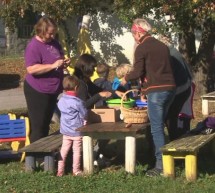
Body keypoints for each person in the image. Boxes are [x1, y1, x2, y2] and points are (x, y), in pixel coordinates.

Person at [121, 18, 176, 176]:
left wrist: (125, 78)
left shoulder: (141, 47)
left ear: (138, 33)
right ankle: (164, 158)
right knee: (160, 125)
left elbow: (138, 72)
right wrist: (145, 91)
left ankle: (160, 167)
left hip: (157, 91)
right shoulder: (162, 46)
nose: (133, 38)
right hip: (170, 88)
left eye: (133, 35)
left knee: (156, 127)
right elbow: (154, 70)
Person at [24, 17, 71, 143]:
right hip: (37, 90)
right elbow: (31, 69)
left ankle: (44, 155)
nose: (51, 36)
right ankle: (34, 157)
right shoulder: (33, 46)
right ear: (40, 31)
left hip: (52, 89)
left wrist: (64, 63)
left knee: (46, 124)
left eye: (53, 33)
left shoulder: (54, 43)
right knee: (38, 125)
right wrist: (53, 65)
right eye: (49, 33)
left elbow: (58, 60)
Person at [73, 54, 124, 166]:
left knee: (110, 126)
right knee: (109, 127)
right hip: (78, 120)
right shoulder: (79, 84)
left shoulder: (85, 80)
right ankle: (94, 155)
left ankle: (96, 153)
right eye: (92, 68)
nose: (94, 70)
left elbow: (97, 89)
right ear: (85, 67)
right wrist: (99, 95)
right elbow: (83, 105)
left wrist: (115, 92)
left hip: (86, 116)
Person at [158, 35, 194, 141]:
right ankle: (177, 138)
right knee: (173, 116)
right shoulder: (173, 51)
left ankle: (175, 140)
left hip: (180, 89)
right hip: (185, 87)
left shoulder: (170, 54)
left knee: (170, 116)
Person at [57, 75, 87, 176]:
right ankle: (76, 170)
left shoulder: (61, 100)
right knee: (77, 151)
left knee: (63, 150)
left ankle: (60, 171)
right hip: (76, 130)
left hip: (65, 130)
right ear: (76, 88)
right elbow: (84, 114)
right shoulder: (78, 102)